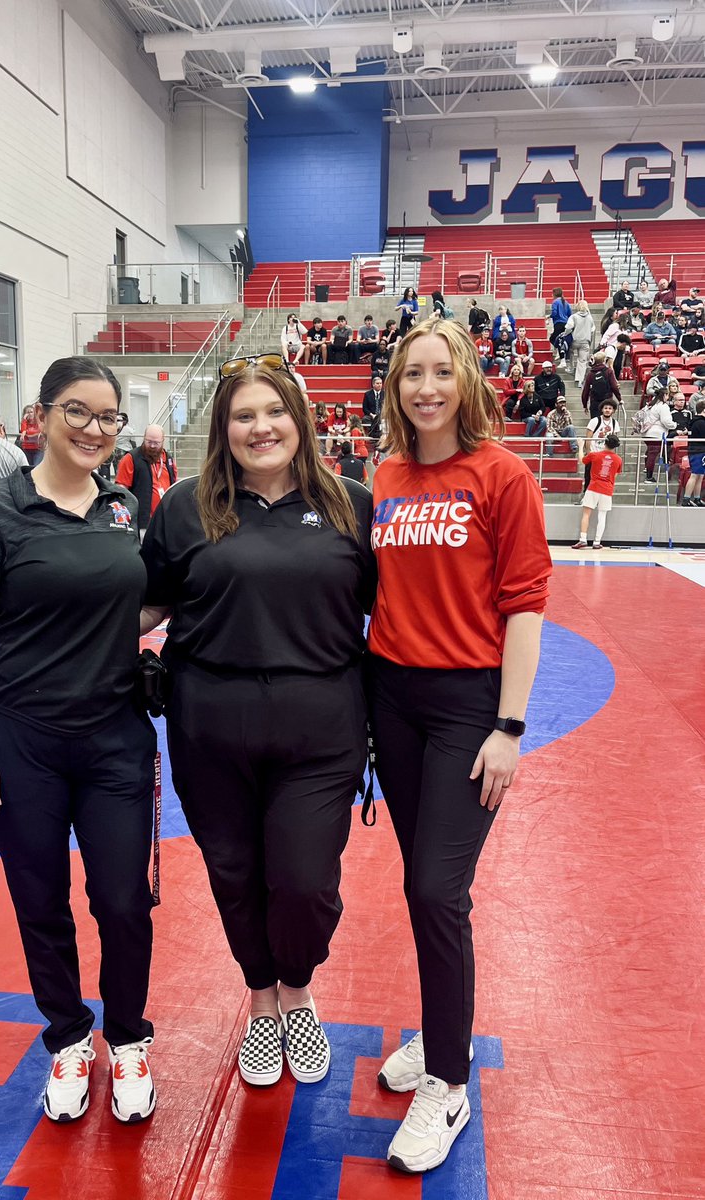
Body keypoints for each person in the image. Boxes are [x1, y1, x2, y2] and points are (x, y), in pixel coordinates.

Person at [140, 353, 375, 1091]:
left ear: (300, 420)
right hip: (209, 723)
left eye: (274, 412)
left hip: (323, 725)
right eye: (244, 415)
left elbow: (399, 610)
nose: (261, 427)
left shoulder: (351, 502)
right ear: (224, 427)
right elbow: (147, 604)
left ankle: (298, 987)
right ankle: (261, 998)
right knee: (235, 873)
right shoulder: (184, 504)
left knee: (304, 881)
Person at [0, 356, 158, 1126]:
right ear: (39, 416)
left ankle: (129, 1038)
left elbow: (132, 607)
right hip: (23, 740)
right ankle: (69, 1036)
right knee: (41, 901)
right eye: (79, 412)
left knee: (126, 901)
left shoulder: (127, 506)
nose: (96, 430)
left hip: (114, 741)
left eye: (109, 418)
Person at [368, 316, 550, 1175]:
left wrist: (509, 727)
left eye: (442, 372)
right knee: (422, 886)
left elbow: (524, 606)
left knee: (439, 890)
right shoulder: (387, 475)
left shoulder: (502, 475)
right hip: (392, 699)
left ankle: (448, 1081)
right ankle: (442, 1035)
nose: (427, 388)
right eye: (413, 374)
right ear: (396, 386)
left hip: (467, 704)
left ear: (467, 380)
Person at [115, 424, 177, 532]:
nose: (152, 446)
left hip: (165, 520)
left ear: (163, 440)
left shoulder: (168, 460)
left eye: (156, 443)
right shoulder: (131, 458)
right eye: (149, 442)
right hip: (141, 522)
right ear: (144, 438)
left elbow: (174, 486)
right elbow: (121, 490)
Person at [572, 434, 622, 549]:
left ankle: (583, 539)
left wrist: (581, 446)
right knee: (602, 516)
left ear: (605, 443)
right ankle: (597, 542)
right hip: (607, 489)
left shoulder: (595, 455)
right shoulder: (618, 459)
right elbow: (616, 474)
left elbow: (581, 461)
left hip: (594, 487)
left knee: (586, 514)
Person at [579, 399, 620, 496]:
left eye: (610, 408)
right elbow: (588, 437)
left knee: (603, 478)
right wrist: (588, 451)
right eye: (605, 408)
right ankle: (586, 496)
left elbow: (614, 439)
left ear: (613, 411)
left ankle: (600, 496)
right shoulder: (594, 421)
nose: (607, 410)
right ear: (602, 409)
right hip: (594, 453)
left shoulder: (615, 423)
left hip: (606, 455)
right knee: (589, 477)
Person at [635, 388, 676, 482]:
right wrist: (674, 425)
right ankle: (649, 477)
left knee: (650, 452)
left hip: (646, 433)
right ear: (665, 395)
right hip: (656, 434)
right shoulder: (663, 406)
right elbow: (666, 421)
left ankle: (647, 469)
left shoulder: (650, 405)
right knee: (652, 455)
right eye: (667, 395)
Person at [564, 300, 596, 387]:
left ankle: (570, 367)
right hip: (585, 341)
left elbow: (568, 327)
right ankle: (579, 380)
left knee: (569, 352)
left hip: (574, 340)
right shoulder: (590, 318)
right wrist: (590, 341)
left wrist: (566, 334)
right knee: (582, 361)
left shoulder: (573, 316)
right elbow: (593, 331)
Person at [581, 352, 621, 418]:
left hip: (594, 402)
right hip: (607, 402)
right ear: (604, 360)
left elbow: (586, 391)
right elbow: (614, 386)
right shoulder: (609, 371)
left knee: (595, 424)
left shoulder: (590, 374)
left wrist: (585, 405)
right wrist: (619, 399)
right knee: (606, 423)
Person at [681, 398, 705, 507]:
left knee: (700, 475)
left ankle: (697, 498)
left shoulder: (696, 421)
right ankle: (686, 498)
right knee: (695, 475)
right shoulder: (700, 422)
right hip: (698, 451)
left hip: (698, 451)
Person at [548, 288, 572, 364]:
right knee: (561, 339)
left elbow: (554, 313)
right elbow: (570, 314)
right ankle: (561, 352)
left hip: (558, 323)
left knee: (553, 339)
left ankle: (560, 352)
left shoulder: (555, 302)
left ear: (555, 294)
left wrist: (549, 316)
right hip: (565, 324)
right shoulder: (566, 302)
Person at [362, 375, 385, 440]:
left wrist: (381, 415)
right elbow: (365, 408)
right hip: (371, 416)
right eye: (377, 383)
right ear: (373, 384)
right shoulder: (367, 394)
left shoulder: (385, 394)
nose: (379, 385)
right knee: (365, 419)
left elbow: (388, 407)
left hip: (382, 415)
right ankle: (374, 434)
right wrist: (372, 415)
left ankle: (377, 435)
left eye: (380, 383)